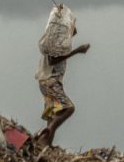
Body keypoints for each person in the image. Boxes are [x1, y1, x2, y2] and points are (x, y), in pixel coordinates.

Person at [34, 18, 90, 147]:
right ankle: (47, 132)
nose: (75, 29)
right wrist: (77, 51)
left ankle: (45, 146)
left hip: (49, 82)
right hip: (50, 81)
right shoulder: (56, 43)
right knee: (69, 108)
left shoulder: (60, 43)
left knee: (55, 113)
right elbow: (52, 60)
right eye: (72, 26)